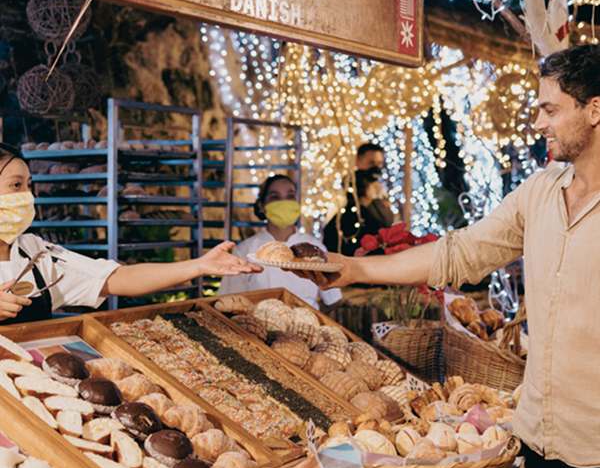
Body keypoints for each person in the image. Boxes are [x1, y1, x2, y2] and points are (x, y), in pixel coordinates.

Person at [297, 45, 600, 468]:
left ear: (595, 110)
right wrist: (356, 268)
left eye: (550, 109)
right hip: (540, 446)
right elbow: (459, 252)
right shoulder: (539, 192)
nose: (537, 122)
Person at [0, 144, 260, 323]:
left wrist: (199, 266)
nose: (26, 196)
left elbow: (119, 278)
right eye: (15, 185)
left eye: (28, 186)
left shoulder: (34, 252)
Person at [218, 174, 342, 310]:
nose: (284, 202)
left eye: (290, 196)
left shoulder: (315, 247)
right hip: (261, 326)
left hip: (308, 325)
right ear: (261, 206)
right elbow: (230, 299)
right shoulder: (245, 250)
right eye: (275, 197)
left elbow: (333, 299)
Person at [323, 143, 395, 255]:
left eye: (379, 163)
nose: (375, 168)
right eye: (371, 163)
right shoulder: (349, 185)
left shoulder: (380, 188)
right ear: (358, 161)